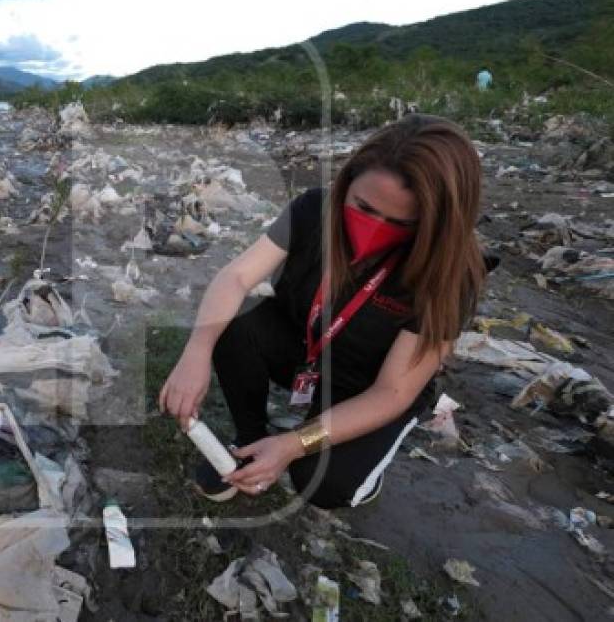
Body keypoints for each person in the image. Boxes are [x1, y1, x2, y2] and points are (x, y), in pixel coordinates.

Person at [158, 114, 487, 509]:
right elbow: (235, 278)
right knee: (235, 318)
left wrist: (295, 444)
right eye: (362, 207)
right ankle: (249, 442)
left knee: (322, 485)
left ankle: (356, 464)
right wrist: (196, 352)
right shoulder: (313, 211)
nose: (373, 227)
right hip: (307, 352)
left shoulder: (451, 276)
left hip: (371, 386)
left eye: (399, 223)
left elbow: (391, 392)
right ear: (347, 183)